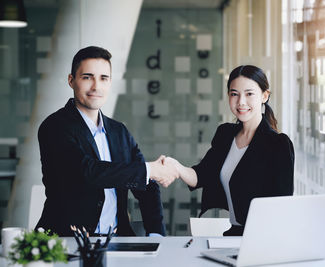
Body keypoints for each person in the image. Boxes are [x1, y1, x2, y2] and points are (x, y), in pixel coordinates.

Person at [36, 46, 178, 236]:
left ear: (110, 83)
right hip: (66, 241)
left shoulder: (119, 131)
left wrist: (155, 235)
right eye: (87, 77)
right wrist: (150, 169)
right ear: (71, 81)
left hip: (118, 239)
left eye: (103, 78)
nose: (96, 86)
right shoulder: (54, 127)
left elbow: (146, 185)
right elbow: (90, 172)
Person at [164, 65, 294, 236]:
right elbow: (202, 175)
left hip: (263, 237)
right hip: (233, 234)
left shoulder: (278, 145)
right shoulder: (225, 134)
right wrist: (176, 167)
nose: (241, 102)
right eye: (234, 94)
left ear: (264, 96)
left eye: (249, 94)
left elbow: (282, 206)